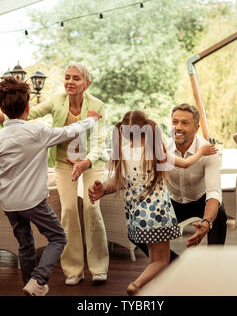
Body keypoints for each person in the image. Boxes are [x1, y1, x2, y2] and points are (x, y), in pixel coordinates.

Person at [0, 63, 109, 286]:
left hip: (90, 162)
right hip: (63, 164)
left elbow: (100, 139)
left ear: (87, 83)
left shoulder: (98, 105)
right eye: (67, 77)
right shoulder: (55, 104)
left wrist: (85, 161)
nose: (70, 81)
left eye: (76, 78)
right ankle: (73, 270)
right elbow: (33, 115)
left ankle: (98, 267)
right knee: (67, 212)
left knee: (91, 208)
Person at [88, 110, 217, 295]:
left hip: (137, 216)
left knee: (153, 258)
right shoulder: (156, 151)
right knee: (162, 260)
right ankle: (137, 284)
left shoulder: (122, 152)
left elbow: (120, 181)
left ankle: (156, 288)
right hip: (158, 215)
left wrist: (103, 190)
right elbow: (187, 163)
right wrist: (202, 151)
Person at [128, 104, 228, 261]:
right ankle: (172, 263)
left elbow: (214, 192)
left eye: (185, 123)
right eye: (175, 122)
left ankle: (214, 263)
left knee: (219, 215)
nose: (178, 127)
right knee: (136, 227)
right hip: (172, 201)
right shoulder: (163, 148)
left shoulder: (207, 151)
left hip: (200, 199)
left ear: (196, 128)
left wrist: (206, 223)